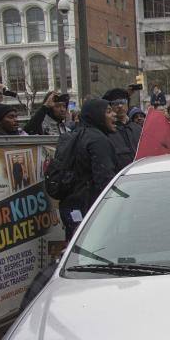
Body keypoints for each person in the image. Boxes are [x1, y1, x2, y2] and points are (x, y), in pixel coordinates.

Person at [59, 99, 119, 239]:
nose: (114, 115)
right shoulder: (98, 140)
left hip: (71, 209)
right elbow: (105, 181)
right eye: (108, 111)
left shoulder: (73, 136)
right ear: (96, 115)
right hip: (91, 210)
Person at [103, 88, 140, 170]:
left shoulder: (137, 128)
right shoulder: (106, 131)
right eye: (115, 103)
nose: (120, 106)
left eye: (123, 102)